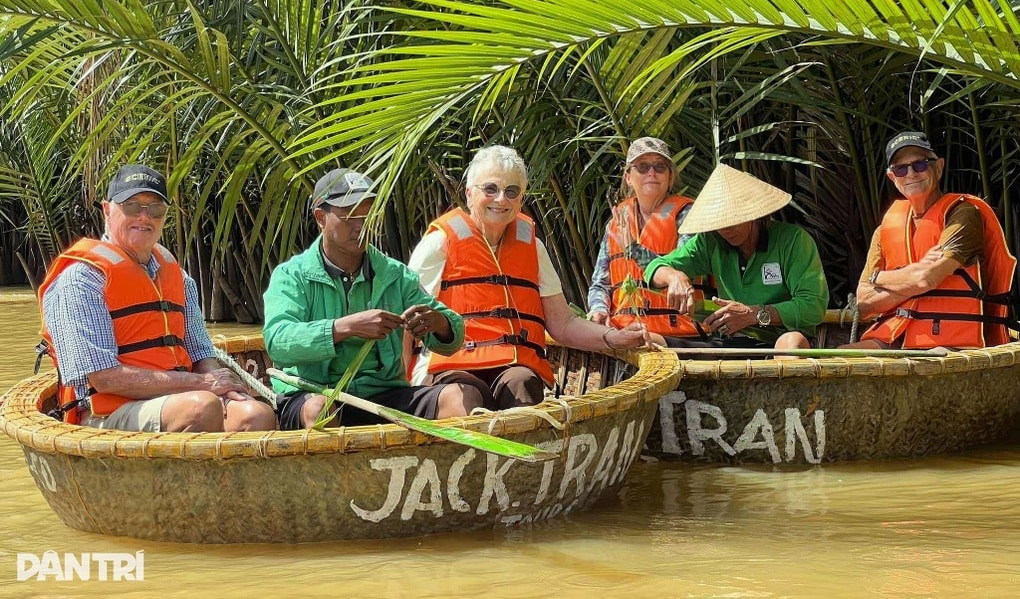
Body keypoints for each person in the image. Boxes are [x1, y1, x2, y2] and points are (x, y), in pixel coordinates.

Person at [408, 145, 648, 410]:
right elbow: (406, 321)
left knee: (522, 382)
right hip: (449, 369)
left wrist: (613, 338)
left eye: (511, 191)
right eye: (490, 189)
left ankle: (525, 447)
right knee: (469, 394)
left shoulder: (533, 247)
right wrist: (398, 386)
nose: (501, 199)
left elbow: (563, 324)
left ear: (521, 199)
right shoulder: (439, 243)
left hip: (512, 367)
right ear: (468, 193)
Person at [39, 164, 277, 432]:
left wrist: (222, 385)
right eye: (132, 206)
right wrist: (202, 384)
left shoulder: (178, 277)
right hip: (108, 413)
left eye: (155, 209)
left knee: (255, 414)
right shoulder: (81, 280)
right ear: (107, 209)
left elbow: (200, 351)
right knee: (201, 407)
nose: (144, 217)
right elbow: (105, 379)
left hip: (184, 397)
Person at [262, 168, 484, 430]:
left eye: (368, 216)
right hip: (312, 394)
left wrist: (439, 323)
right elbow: (277, 342)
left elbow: (453, 337)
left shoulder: (394, 274)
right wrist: (345, 327)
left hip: (384, 396)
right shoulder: (291, 275)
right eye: (350, 217)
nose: (361, 226)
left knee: (461, 396)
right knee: (320, 410)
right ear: (321, 218)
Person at [853, 131, 1017, 349]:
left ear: (938, 167)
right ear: (892, 177)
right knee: (838, 358)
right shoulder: (884, 229)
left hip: (951, 343)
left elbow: (926, 280)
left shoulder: (962, 215)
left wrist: (878, 279)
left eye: (920, 164)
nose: (910, 173)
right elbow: (863, 304)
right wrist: (905, 275)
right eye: (900, 169)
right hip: (895, 336)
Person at [645, 163, 828, 350]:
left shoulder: (793, 241)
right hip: (729, 343)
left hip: (780, 340)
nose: (726, 229)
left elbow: (813, 307)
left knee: (791, 343)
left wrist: (754, 314)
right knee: (647, 340)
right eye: (719, 222)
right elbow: (654, 267)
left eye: (732, 220)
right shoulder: (710, 240)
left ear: (753, 214)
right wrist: (674, 276)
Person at [587, 137, 703, 343]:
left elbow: (684, 269)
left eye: (660, 166)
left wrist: (634, 249)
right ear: (628, 177)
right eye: (642, 167)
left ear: (670, 177)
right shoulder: (617, 220)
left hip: (679, 336)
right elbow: (600, 283)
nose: (652, 172)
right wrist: (599, 309)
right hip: (624, 334)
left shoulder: (686, 214)